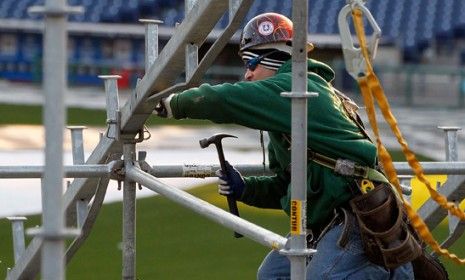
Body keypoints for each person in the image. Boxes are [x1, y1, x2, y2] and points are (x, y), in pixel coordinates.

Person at [155, 12, 413, 279]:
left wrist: (175, 104)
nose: (247, 74)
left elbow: (226, 99)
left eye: (250, 62)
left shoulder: (298, 87)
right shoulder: (289, 108)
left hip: (359, 217)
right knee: (272, 275)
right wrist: (245, 188)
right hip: (327, 223)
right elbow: (286, 185)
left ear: (274, 56)